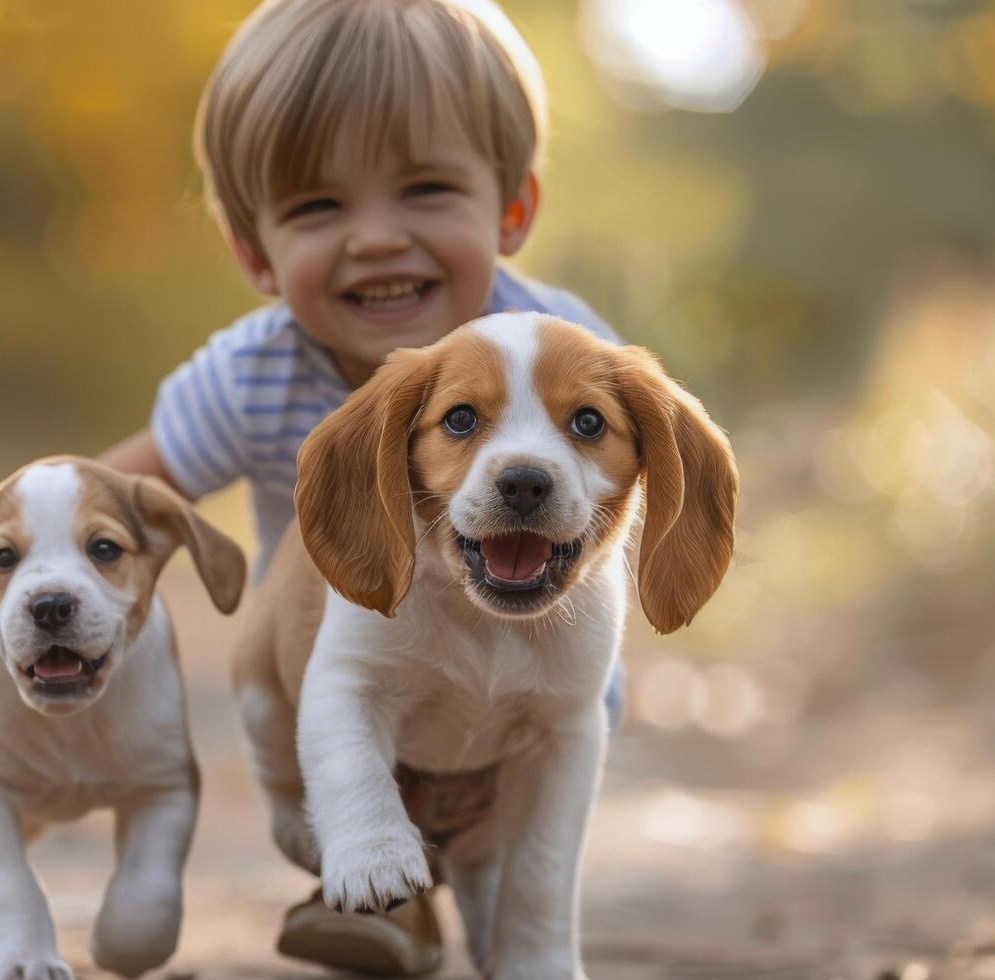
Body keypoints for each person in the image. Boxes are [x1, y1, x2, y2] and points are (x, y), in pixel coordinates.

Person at [99, 0, 624, 972]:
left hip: (538, 673)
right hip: (346, 664)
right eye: (317, 206)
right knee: (345, 750)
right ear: (254, 252)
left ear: (511, 210)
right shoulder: (250, 373)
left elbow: (652, 460)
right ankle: (379, 873)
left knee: (541, 784)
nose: (377, 238)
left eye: (425, 189)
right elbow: (117, 496)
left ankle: (488, 901)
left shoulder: (567, 342)